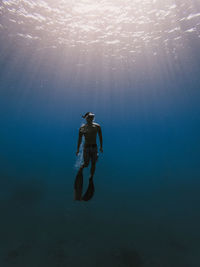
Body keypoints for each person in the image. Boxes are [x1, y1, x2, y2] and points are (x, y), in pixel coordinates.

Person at [74, 112, 103, 201]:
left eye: (92, 117)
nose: (91, 118)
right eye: (89, 117)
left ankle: (91, 177)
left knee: (93, 163)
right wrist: (78, 149)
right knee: (86, 164)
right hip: (86, 148)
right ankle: (81, 168)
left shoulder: (97, 126)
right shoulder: (82, 128)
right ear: (86, 118)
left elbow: (100, 136)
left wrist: (101, 146)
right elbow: (79, 139)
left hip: (94, 148)